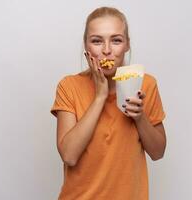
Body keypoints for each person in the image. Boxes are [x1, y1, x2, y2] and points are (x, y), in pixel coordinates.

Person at [50, 6, 166, 200]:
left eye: (116, 40)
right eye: (97, 41)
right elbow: (69, 156)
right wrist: (100, 97)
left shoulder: (146, 84)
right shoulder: (69, 86)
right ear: (86, 46)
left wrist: (139, 117)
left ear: (127, 45)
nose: (106, 50)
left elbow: (158, 152)